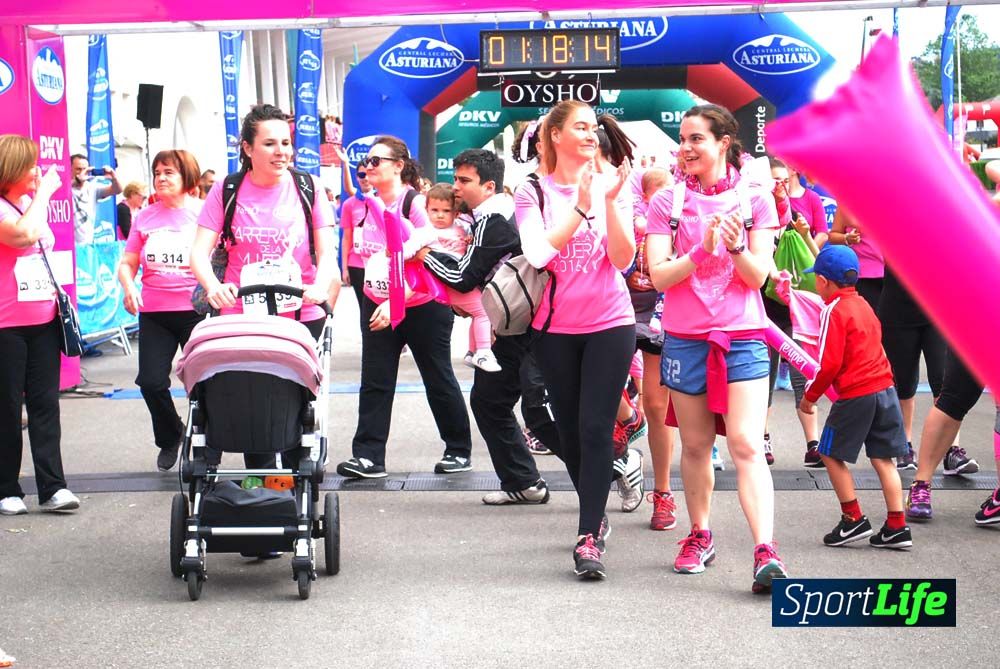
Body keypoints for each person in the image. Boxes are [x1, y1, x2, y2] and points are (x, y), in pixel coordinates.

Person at [646, 104, 787, 593]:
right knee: (696, 445)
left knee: (746, 443)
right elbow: (659, 276)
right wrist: (700, 250)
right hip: (685, 339)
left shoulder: (756, 200)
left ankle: (765, 550)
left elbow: (757, 277)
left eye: (696, 139)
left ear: (724, 142)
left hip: (742, 336)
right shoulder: (667, 202)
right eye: (682, 139)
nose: (685, 148)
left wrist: (734, 247)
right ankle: (700, 533)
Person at [515, 100, 636, 579]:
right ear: (555, 134)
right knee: (568, 431)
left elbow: (623, 261)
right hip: (554, 330)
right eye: (580, 127)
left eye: (593, 127)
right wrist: (582, 206)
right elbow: (538, 254)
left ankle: (588, 536)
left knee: (593, 427)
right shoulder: (532, 190)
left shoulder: (613, 185)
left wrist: (607, 203)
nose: (590, 134)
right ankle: (597, 507)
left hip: (611, 322)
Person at [420, 148, 562, 506]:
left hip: (532, 326)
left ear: (488, 186)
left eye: (464, 180)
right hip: (518, 323)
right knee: (490, 400)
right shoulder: (495, 214)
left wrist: (423, 255)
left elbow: (463, 276)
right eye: (455, 179)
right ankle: (523, 482)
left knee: (537, 412)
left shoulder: (494, 219)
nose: (456, 187)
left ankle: (616, 465)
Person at [335, 135, 473, 479]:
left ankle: (458, 450)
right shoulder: (367, 203)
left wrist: (395, 301)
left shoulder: (415, 203)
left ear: (398, 166)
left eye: (376, 161)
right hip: (378, 301)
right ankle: (368, 457)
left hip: (422, 303)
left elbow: (430, 250)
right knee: (375, 379)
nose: (368, 167)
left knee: (437, 376)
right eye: (365, 161)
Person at [798, 245, 911, 549]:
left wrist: (810, 397)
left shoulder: (833, 310)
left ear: (823, 281)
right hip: (885, 387)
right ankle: (897, 526)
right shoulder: (864, 305)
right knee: (883, 458)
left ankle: (853, 518)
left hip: (857, 393)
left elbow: (829, 363)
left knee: (829, 453)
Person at [0, 134, 80, 515]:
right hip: (6, 325)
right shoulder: (10, 209)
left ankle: (53, 486)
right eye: (30, 165)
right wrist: (46, 191)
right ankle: (6, 488)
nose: (37, 171)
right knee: (7, 407)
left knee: (46, 404)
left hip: (44, 319)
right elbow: (23, 235)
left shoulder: (28, 204)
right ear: (12, 168)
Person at [117, 149, 203, 472]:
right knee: (151, 382)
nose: (161, 178)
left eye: (169, 172)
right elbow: (128, 262)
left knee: (203, 384)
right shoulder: (145, 216)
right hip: (155, 312)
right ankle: (171, 435)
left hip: (196, 311)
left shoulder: (203, 213)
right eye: (157, 173)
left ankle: (207, 447)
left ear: (186, 177)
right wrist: (129, 286)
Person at [764, 157, 822, 468]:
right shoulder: (756, 217)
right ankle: (762, 437)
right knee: (765, 376)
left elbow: (818, 257)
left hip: (797, 306)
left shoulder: (802, 211)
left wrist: (805, 235)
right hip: (764, 307)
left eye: (783, 181)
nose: (779, 187)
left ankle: (814, 444)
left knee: (803, 374)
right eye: (773, 182)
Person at [630, 166, 679, 529]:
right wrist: (627, 270)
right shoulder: (628, 217)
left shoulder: (676, 222)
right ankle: (625, 432)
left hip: (660, 315)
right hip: (615, 308)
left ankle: (663, 492)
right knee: (600, 397)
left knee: (657, 406)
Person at [408, 183, 499, 372]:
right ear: (426, 209)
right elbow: (409, 249)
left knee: (478, 313)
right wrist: (395, 253)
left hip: (461, 279)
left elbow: (473, 237)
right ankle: (483, 352)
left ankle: (473, 352)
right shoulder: (425, 233)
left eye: (446, 211)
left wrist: (469, 239)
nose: (440, 215)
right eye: (434, 210)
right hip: (448, 282)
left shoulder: (461, 227)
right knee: (483, 311)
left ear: (456, 212)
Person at [338, 154, 376, 312]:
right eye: (361, 175)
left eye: (368, 174)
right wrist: (344, 268)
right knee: (364, 308)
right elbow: (346, 238)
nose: (365, 178)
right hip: (356, 264)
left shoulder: (383, 201)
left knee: (380, 308)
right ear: (357, 177)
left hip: (378, 264)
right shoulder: (349, 204)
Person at [828, 207, 883, 311]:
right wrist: (847, 238)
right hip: (862, 275)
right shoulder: (846, 205)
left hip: (894, 275)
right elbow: (832, 236)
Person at [70, 153, 123, 245]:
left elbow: (117, 190)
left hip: (87, 244)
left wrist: (113, 178)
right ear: (70, 169)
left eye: (84, 169)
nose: (82, 172)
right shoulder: (64, 186)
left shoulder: (92, 187)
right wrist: (77, 180)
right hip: (68, 244)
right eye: (78, 169)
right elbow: (61, 190)